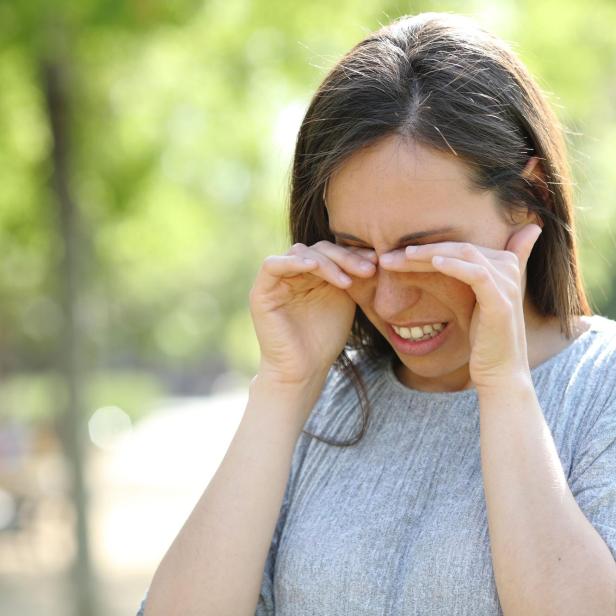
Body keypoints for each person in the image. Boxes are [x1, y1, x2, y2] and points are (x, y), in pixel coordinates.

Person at [137, 12, 616, 616]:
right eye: (359, 250)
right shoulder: (324, 403)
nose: (389, 301)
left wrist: (504, 386)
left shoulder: (601, 389)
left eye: (426, 254)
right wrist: (285, 387)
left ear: (529, 201)